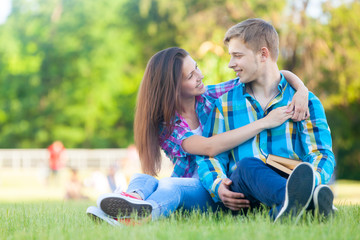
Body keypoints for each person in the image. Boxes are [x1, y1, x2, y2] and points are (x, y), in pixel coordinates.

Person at [87, 46, 309, 225]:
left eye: (197, 68)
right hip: (193, 186)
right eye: (191, 76)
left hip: (217, 186)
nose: (200, 76)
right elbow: (208, 147)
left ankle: (129, 217)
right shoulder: (167, 126)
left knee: (168, 185)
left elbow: (266, 74)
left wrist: (301, 90)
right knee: (144, 179)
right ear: (173, 87)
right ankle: (130, 203)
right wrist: (264, 123)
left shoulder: (210, 95)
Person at [196, 18, 335, 222]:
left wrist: (312, 179)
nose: (230, 64)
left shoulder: (306, 102)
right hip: (244, 192)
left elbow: (321, 153)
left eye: (237, 55)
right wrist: (218, 186)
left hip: (289, 176)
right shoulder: (224, 104)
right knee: (247, 166)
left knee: (297, 175)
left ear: (263, 54)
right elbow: (210, 156)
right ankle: (306, 201)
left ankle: (289, 205)